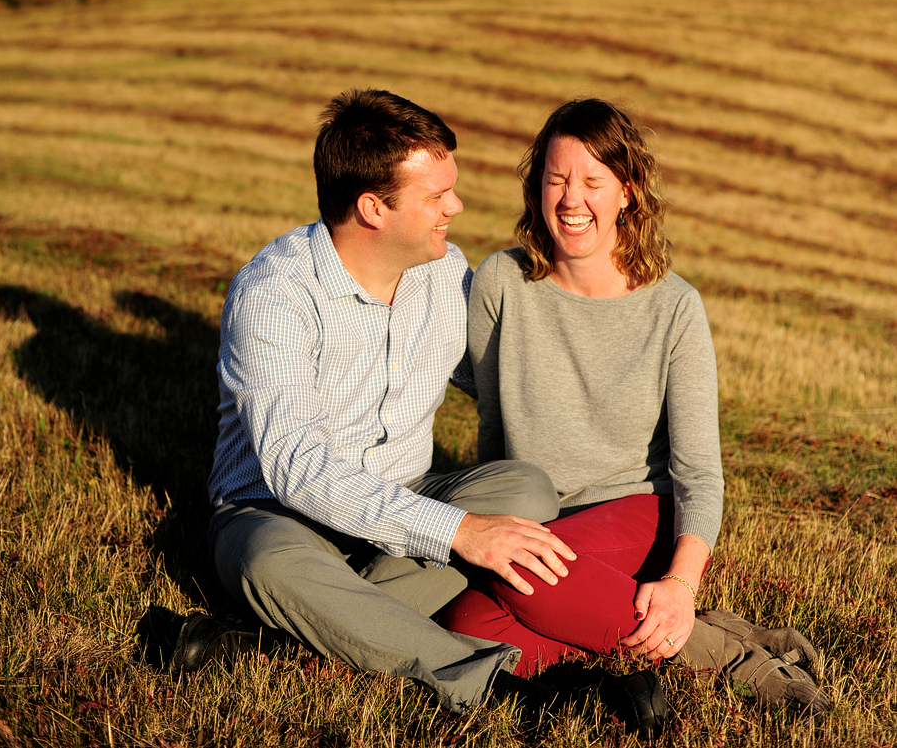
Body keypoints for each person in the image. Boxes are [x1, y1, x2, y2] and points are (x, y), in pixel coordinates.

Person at [176, 88, 662, 729]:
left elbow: (503, 377)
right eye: (437, 197)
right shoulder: (275, 293)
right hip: (276, 512)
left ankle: (290, 639)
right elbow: (294, 465)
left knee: (524, 490)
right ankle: (510, 685)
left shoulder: (443, 275)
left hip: (405, 494)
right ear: (374, 208)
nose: (455, 208)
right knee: (267, 562)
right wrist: (460, 535)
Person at [441, 98, 829, 719]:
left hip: (633, 513)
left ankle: (735, 663)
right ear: (535, 184)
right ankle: (711, 634)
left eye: (593, 182)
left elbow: (699, 472)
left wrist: (678, 583)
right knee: (466, 624)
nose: (572, 200)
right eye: (557, 179)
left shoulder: (673, 309)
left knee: (522, 585)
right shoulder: (500, 284)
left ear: (627, 192)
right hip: (539, 520)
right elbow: (494, 424)